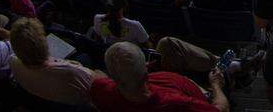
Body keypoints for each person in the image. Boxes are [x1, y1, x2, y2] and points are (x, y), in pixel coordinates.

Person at [90, 41, 228, 112]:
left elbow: (96, 76)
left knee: (166, 43)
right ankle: (227, 69)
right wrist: (216, 85)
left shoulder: (101, 90)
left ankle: (224, 64)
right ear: (145, 73)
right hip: (204, 97)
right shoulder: (174, 103)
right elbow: (221, 109)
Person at [9, 17, 97, 106]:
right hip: (71, 103)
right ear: (44, 43)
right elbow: (97, 84)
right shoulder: (72, 72)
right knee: (85, 57)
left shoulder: (13, 62)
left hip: (45, 99)